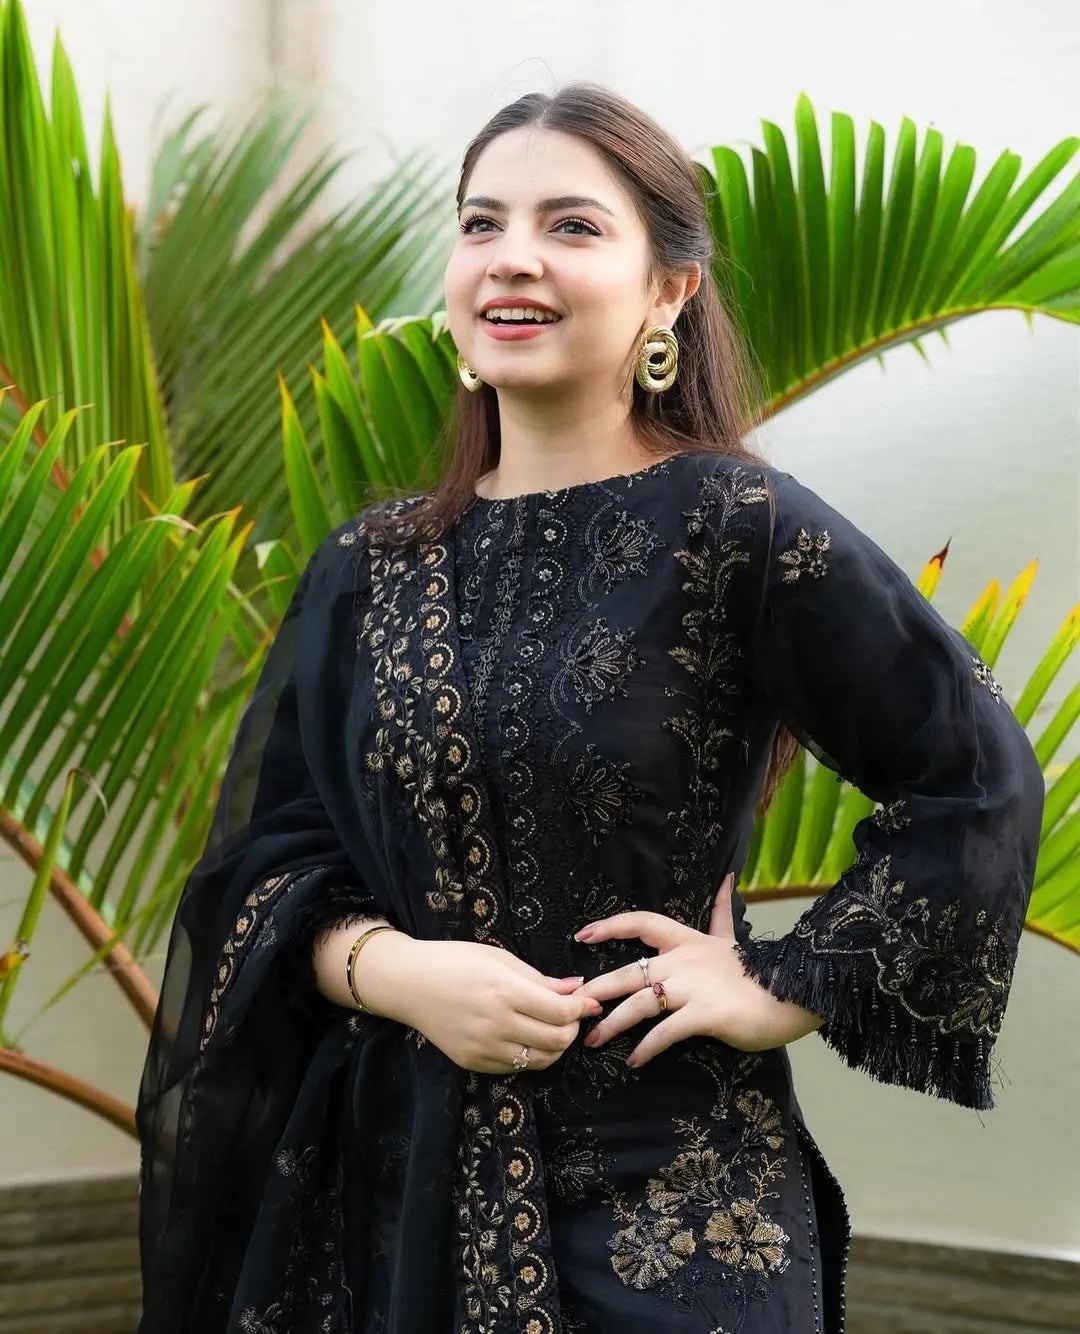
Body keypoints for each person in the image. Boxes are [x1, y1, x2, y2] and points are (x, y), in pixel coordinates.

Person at [135, 82, 1045, 1334]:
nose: (513, 258)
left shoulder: (739, 525)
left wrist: (780, 982)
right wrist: (395, 972)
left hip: (670, 1203)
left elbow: (975, 769)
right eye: (480, 223)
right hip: (385, 1216)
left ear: (668, 287)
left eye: (573, 225)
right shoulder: (368, 566)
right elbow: (262, 865)